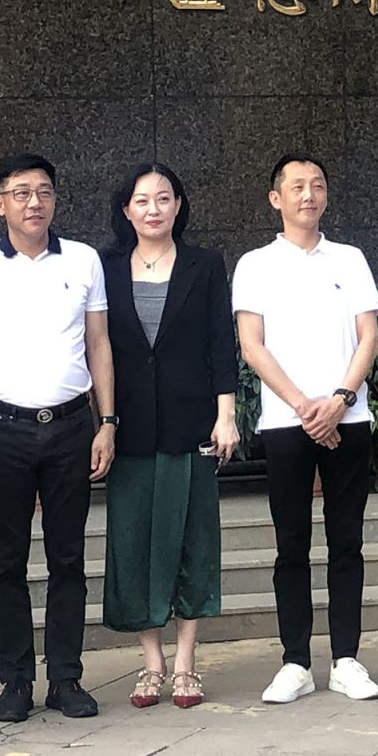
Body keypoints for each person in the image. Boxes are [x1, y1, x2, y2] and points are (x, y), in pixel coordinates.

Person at [0, 154, 117, 722]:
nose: (34, 203)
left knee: (69, 558)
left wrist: (107, 422)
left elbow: (98, 343)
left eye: (44, 191)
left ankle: (66, 678)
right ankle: (16, 680)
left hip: (71, 426)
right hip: (3, 430)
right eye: (20, 193)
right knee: (7, 561)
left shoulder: (84, 260)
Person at [233, 153, 378, 705]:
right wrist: (305, 408)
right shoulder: (255, 265)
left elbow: (369, 337)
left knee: (347, 542)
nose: (308, 195)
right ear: (276, 198)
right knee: (290, 545)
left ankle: (346, 659)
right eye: (296, 186)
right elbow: (252, 346)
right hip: (285, 423)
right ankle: (295, 662)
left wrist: (339, 401)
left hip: (349, 418)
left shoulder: (350, 258)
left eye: (317, 185)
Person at [100, 162, 238, 709]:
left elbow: (220, 343)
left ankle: (185, 664)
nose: (153, 208)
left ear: (179, 205)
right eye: (142, 200)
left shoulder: (205, 265)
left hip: (191, 423)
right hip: (129, 426)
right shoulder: (105, 267)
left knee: (191, 540)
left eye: (164, 198)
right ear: (126, 210)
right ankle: (151, 662)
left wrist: (226, 415)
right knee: (133, 542)